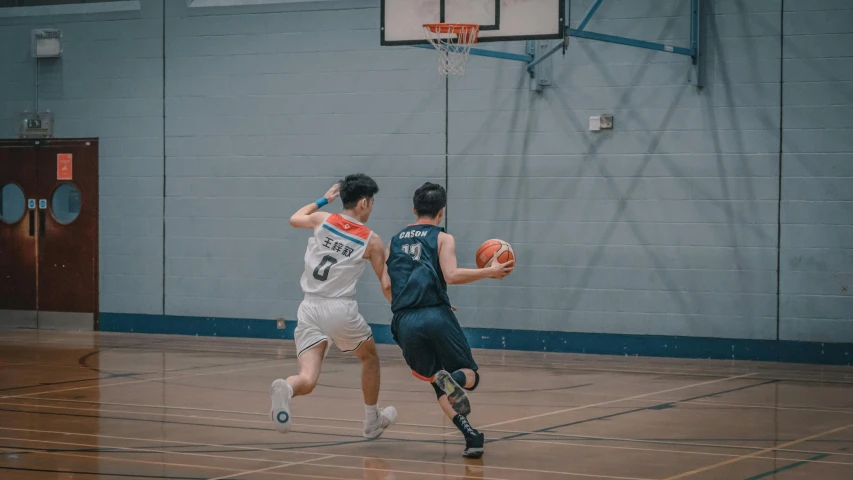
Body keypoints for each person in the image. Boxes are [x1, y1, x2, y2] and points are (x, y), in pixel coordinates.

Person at [382, 182, 514, 458]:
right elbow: (451, 275)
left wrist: (411, 303)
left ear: (414, 209)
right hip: (436, 315)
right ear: (441, 212)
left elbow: (386, 286)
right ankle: (452, 379)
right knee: (470, 376)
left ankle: (472, 437)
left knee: (435, 381)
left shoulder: (393, 241)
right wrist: (489, 272)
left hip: (404, 320)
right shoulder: (443, 238)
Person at [270, 174, 396, 439]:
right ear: (363, 203)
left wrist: (323, 200)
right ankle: (372, 421)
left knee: (308, 378)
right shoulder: (371, 240)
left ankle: (287, 388)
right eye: (371, 202)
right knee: (369, 357)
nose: (371, 208)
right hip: (339, 310)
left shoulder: (323, 219)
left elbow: (295, 218)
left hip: (309, 307)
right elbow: (386, 284)